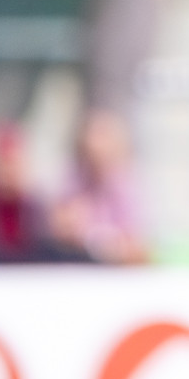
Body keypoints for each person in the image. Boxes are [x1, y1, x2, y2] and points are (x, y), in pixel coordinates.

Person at [0, 121, 78, 264]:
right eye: (4, 163)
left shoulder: (40, 212)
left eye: (15, 162)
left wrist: (66, 241)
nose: (10, 171)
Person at [50, 109, 149, 265]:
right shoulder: (73, 180)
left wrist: (111, 246)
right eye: (90, 154)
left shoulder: (127, 186)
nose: (97, 159)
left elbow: (139, 248)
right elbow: (58, 230)